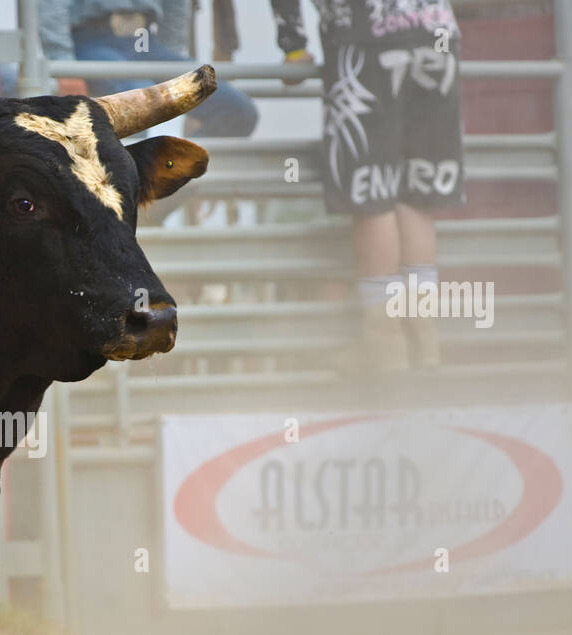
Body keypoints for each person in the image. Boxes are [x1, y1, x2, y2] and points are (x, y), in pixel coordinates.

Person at [270, 0, 466, 372]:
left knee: (372, 192)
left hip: (364, 36)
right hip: (436, 31)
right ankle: (424, 342)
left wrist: (293, 45)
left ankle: (386, 345)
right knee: (415, 190)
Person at [39, 0, 261, 137]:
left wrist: (167, 59)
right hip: (90, 41)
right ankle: (129, 195)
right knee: (141, 102)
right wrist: (63, 62)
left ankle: (179, 179)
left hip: (148, 43)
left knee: (238, 111)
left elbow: (176, 6)